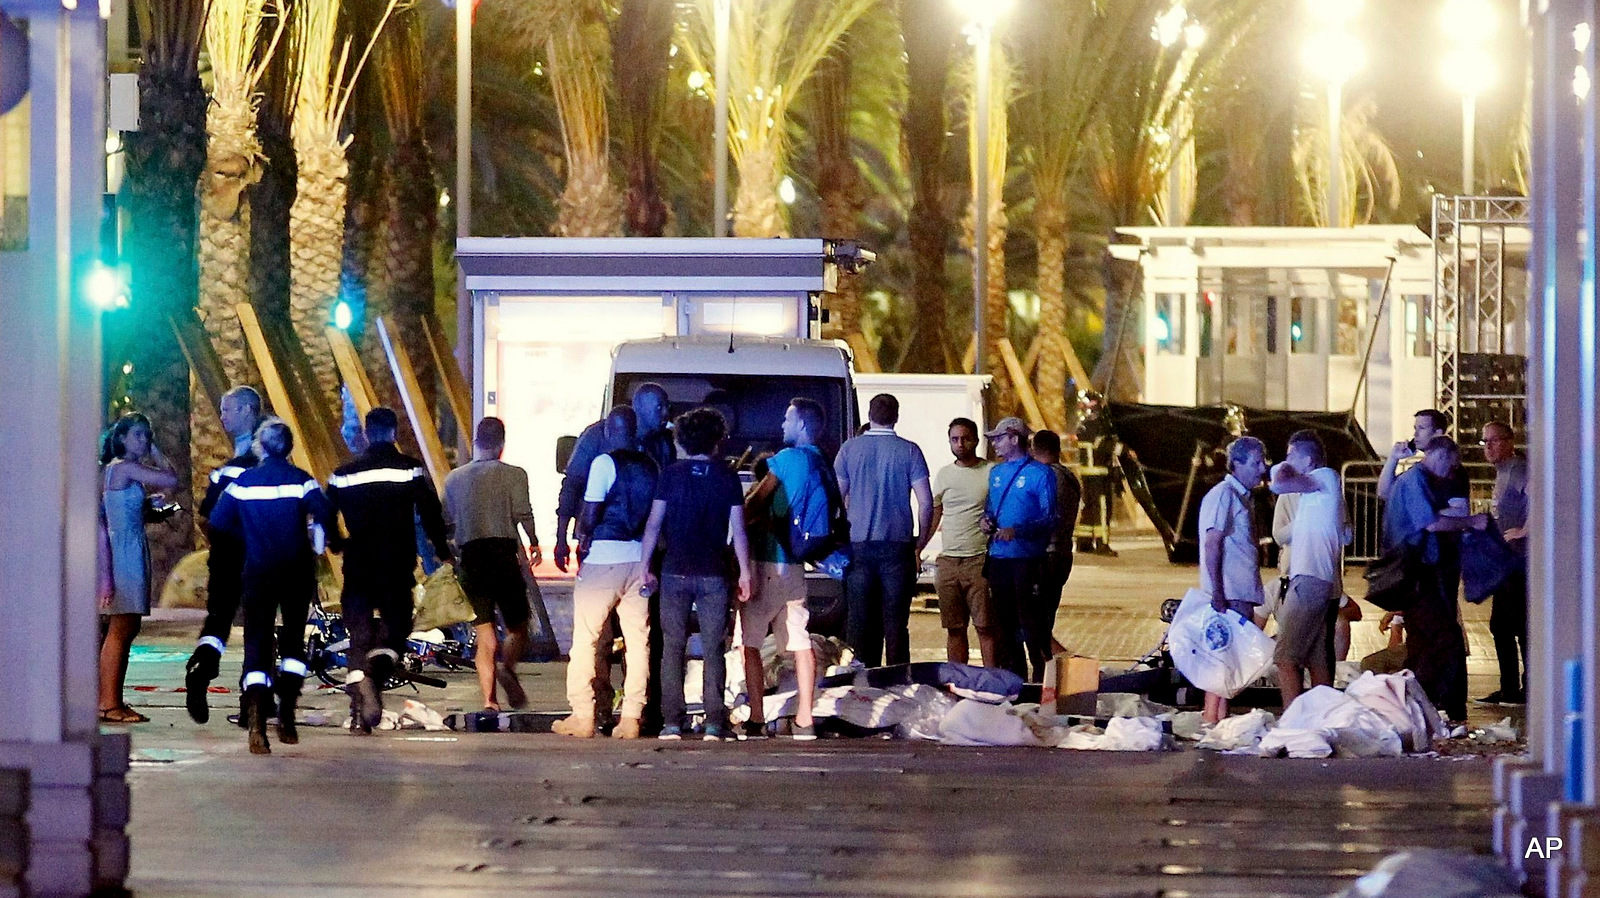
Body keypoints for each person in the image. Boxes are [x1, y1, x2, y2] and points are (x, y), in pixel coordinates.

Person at [207, 419, 335, 754]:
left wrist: (248, 538)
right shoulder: (302, 481)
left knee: (257, 643)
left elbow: (218, 523)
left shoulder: (243, 484)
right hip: (295, 572)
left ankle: (256, 722)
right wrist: (326, 541)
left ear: (261, 447)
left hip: (258, 572)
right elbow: (325, 514)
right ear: (289, 448)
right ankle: (288, 714)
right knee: (293, 644)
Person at [326, 407, 454, 732]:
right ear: (393, 433)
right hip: (396, 563)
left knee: (360, 635)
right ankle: (373, 675)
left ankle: (358, 716)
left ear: (368, 433)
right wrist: (442, 550)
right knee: (395, 631)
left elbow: (326, 514)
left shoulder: (343, 474)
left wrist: (337, 543)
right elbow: (430, 512)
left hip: (358, 563)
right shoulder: (409, 470)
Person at [638, 408, 752, 741]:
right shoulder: (727, 477)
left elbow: (654, 524)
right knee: (714, 647)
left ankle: (672, 723)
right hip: (714, 572)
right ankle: (715, 723)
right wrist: (745, 573)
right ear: (717, 439)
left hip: (674, 570)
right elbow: (739, 531)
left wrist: (645, 567)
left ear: (683, 440)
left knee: (672, 647)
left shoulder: (670, 475)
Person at [554, 406, 658, 739]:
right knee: (638, 642)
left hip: (603, 560)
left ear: (610, 432)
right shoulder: (651, 467)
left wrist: (579, 536)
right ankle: (631, 717)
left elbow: (590, 514)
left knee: (585, 640)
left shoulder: (604, 463)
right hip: (638, 560)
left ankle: (583, 714)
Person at [741, 398, 830, 740]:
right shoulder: (820, 460)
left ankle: (757, 717)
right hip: (796, 565)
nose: (782, 425)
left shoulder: (786, 460)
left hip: (766, 564)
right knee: (800, 642)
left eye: (787, 418)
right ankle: (805, 719)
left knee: (750, 643)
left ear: (802, 425)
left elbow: (754, 505)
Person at [1382, 436, 1485, 725]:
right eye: (1450, 464)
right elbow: (1430, 522)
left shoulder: (1412, 479)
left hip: (1415, 571)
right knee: (1444, 638)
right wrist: (1471, 521)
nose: (1450, 472)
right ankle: (1431, 703)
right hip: (1418, 572)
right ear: (1441, 457)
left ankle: (1420, 705)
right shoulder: (1417, 481)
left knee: (1423, 640)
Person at [442, 417, 541, 716]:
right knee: (518, 626)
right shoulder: (515, 475)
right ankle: (508, 667)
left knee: (484, 636)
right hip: (502, 555)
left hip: (471, 557)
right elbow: (523, 512)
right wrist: (534, 540)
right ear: (501, 444)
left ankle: (490, 701)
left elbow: (447, 519)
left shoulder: (454, 479)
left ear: (475, 441)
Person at [833, 393, 934, 667]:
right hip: (898, 547)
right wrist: (919, 544)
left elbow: (835, 499)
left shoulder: (849, 450)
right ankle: (899, 681)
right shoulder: (910, 451)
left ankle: (860, 681)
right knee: (896, 624)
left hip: (858, 547)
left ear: (869, 415)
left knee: (859, 622)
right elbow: (926, 503)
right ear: (896, 416)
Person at [185, 386, 264, 724]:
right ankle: (254, 704)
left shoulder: (228, 470)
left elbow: (208, 514)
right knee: (258, 628)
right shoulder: (266, 465)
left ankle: (202, 669)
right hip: (258, 555)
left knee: (217, 620)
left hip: (227, 554)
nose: (223, 416)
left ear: (249, 410)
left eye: (229, 409)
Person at [98, 413, 179, 724]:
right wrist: (157, 449)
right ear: (121, 439)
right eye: (138, 435)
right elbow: (172, 478)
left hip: (129, 546)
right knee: (122, 626)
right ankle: (109, 703)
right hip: (125, 551)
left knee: (124, 627)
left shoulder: (118, 470)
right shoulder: (124, 467)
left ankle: (110, 699)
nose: (144, 441)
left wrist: (146, 509)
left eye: (148, 435)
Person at [1266, 430, 1351, 707]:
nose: (1287, 460)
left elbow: (1278, 482)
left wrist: (1284, 466)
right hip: (1318, 582)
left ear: (1308, 459)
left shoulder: (1325, 477)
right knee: (1317, 656)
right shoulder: (1310, 496)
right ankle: (1322, 714)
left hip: (1309, 581)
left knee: (1285, 657)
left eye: (1292, 455)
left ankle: (1294, 719)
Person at [554, 382, 673, 573]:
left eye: (667, 406)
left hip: (644, 547)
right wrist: (561, 539)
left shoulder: (663, 443)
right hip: (599, 545)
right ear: (640, 407)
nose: (666, 413)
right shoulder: (597, 436)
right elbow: (572, 485)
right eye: (660, 407)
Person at [1196, 436, 1269, 725]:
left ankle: (1218, 717)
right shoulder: (1224, 494)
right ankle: (1212, 718)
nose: (1262, 468)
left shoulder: (1240, 497)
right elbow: (1212, 543)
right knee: (1223, 659)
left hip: (1239, 592)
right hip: (1229, 594)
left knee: (1230, 660)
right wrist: (1217, 592)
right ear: (1236, 464)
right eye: (1255, 462)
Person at [980, 417, 1058, 681]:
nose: (994, 444)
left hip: (1028, 562)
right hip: (999, 560)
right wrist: (986, 520)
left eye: (999, 438)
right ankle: (1014, 680)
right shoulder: (996, 473)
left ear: (1015, 438)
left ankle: (1041, 679)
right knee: (1005, 626)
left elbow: (1050, 518)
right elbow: (990, 507)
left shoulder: (1041, 474)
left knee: (1032, 625)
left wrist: (1019, 530)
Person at [930, 417, 993, 666]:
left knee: (985, 627)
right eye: (955, 439)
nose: (960, 444)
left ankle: (993, 681)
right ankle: (958, 682)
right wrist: (918, 547)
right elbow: (935, 512)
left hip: (978, 560)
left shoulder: (990, 473)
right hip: (948, 561)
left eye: (965, 438)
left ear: (976, 440)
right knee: (954, 628)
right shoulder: (944, 475)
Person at [1478, 420, 1528, 705]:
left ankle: (1520, 687)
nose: (1489, 447)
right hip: (1508, 561)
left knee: (1515, 625)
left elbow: (1540, 498)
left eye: (1494, 440)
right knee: (1503, 626)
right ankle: (1510, 686)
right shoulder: (1503, 472)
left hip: (1519, 562)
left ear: (1509, 441)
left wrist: (1525, 530)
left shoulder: (1518, 470)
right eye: (1485, 442)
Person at [1030, 430, 1083, 666]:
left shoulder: (1047, 477)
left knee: (1037, 621)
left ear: (1033, 449)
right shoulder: (1068, 476)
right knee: (1044, 617)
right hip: (1061, 554)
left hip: (1045, 556)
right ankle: (1051, 666)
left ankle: (1058, 666)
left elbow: (1039, 517)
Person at [1377, 409, 1467, 502]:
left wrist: (1421, 513)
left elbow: (1459, 509)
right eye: (1416, 429)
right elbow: (1385, 493)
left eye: (1422, 428)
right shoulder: (1419, 468)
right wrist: (1393, 458)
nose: (1415, 434)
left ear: (1438, 433)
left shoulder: (1452, 469)